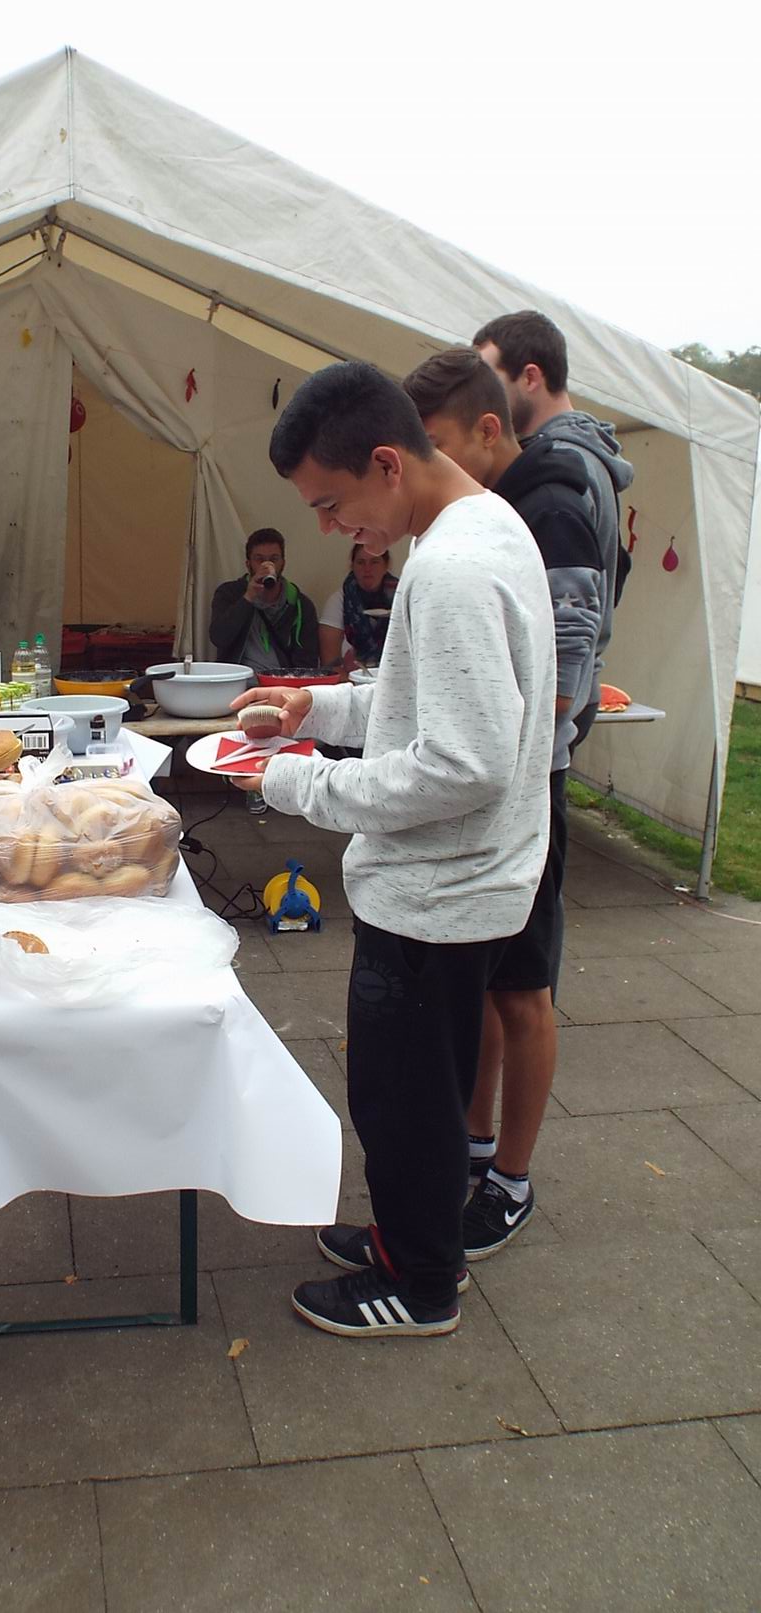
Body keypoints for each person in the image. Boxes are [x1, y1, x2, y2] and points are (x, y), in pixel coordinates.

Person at [231, 361, 555, 1339]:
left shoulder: (451, 568)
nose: (333, 528)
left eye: (332, 504)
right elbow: (418, 702)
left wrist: (296, 783)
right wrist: (316, 709)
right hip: (461, 884)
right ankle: (410, 1236)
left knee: (404, 1100)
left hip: (436, 895)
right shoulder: (483, 527)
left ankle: (421, 1283)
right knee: (416, 1091)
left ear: (386, 462)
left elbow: (463, 764)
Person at [403, 347, 604, 1259]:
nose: (427, 467)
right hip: (505, 783)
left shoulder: (546, 505)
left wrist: (508, 745)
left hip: (528, 786)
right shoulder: (489, 507)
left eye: (437, 444)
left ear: (490, 428)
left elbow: (566, 657)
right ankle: (475, 1147)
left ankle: (511, 1179)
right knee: (486, 983)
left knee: (523, 988)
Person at [473, 310, 634, 747]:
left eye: (490, 381)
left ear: (530, 377)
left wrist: (555, 697)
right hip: (564, 697)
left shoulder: (562, 464)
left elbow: (572, 595)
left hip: (551, 709)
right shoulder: (579, 455)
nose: (480, 398)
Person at [209, 528, 320, 671]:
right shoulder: (229, 593)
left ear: (283, 563)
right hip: (238, 677)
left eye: (274, 559)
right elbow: (219, 638)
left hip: (281, 679)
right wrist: (248, 598)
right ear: (248, 564)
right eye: (259, 559)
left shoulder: (301, 605)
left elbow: (308, 661)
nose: (267, 566)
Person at [318, 544, 399, 670]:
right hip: (353, 677)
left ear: (385, 566)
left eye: (374, 562)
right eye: (361, 562)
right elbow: (329, 665)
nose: (367, 568)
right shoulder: (339, 600)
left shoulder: (401, 597)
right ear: (353, 566)